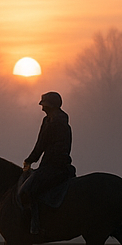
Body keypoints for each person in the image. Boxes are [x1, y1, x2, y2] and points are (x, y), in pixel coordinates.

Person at [19, 91, 76, 236]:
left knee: (28, 189)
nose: (42, 108)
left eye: (43, 105)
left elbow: (41, 144)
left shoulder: (54, 122)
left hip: (53, 165)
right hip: (55, 164)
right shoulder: (52, 120)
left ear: (50, 106)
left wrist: (29, 160)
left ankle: (36, 224)